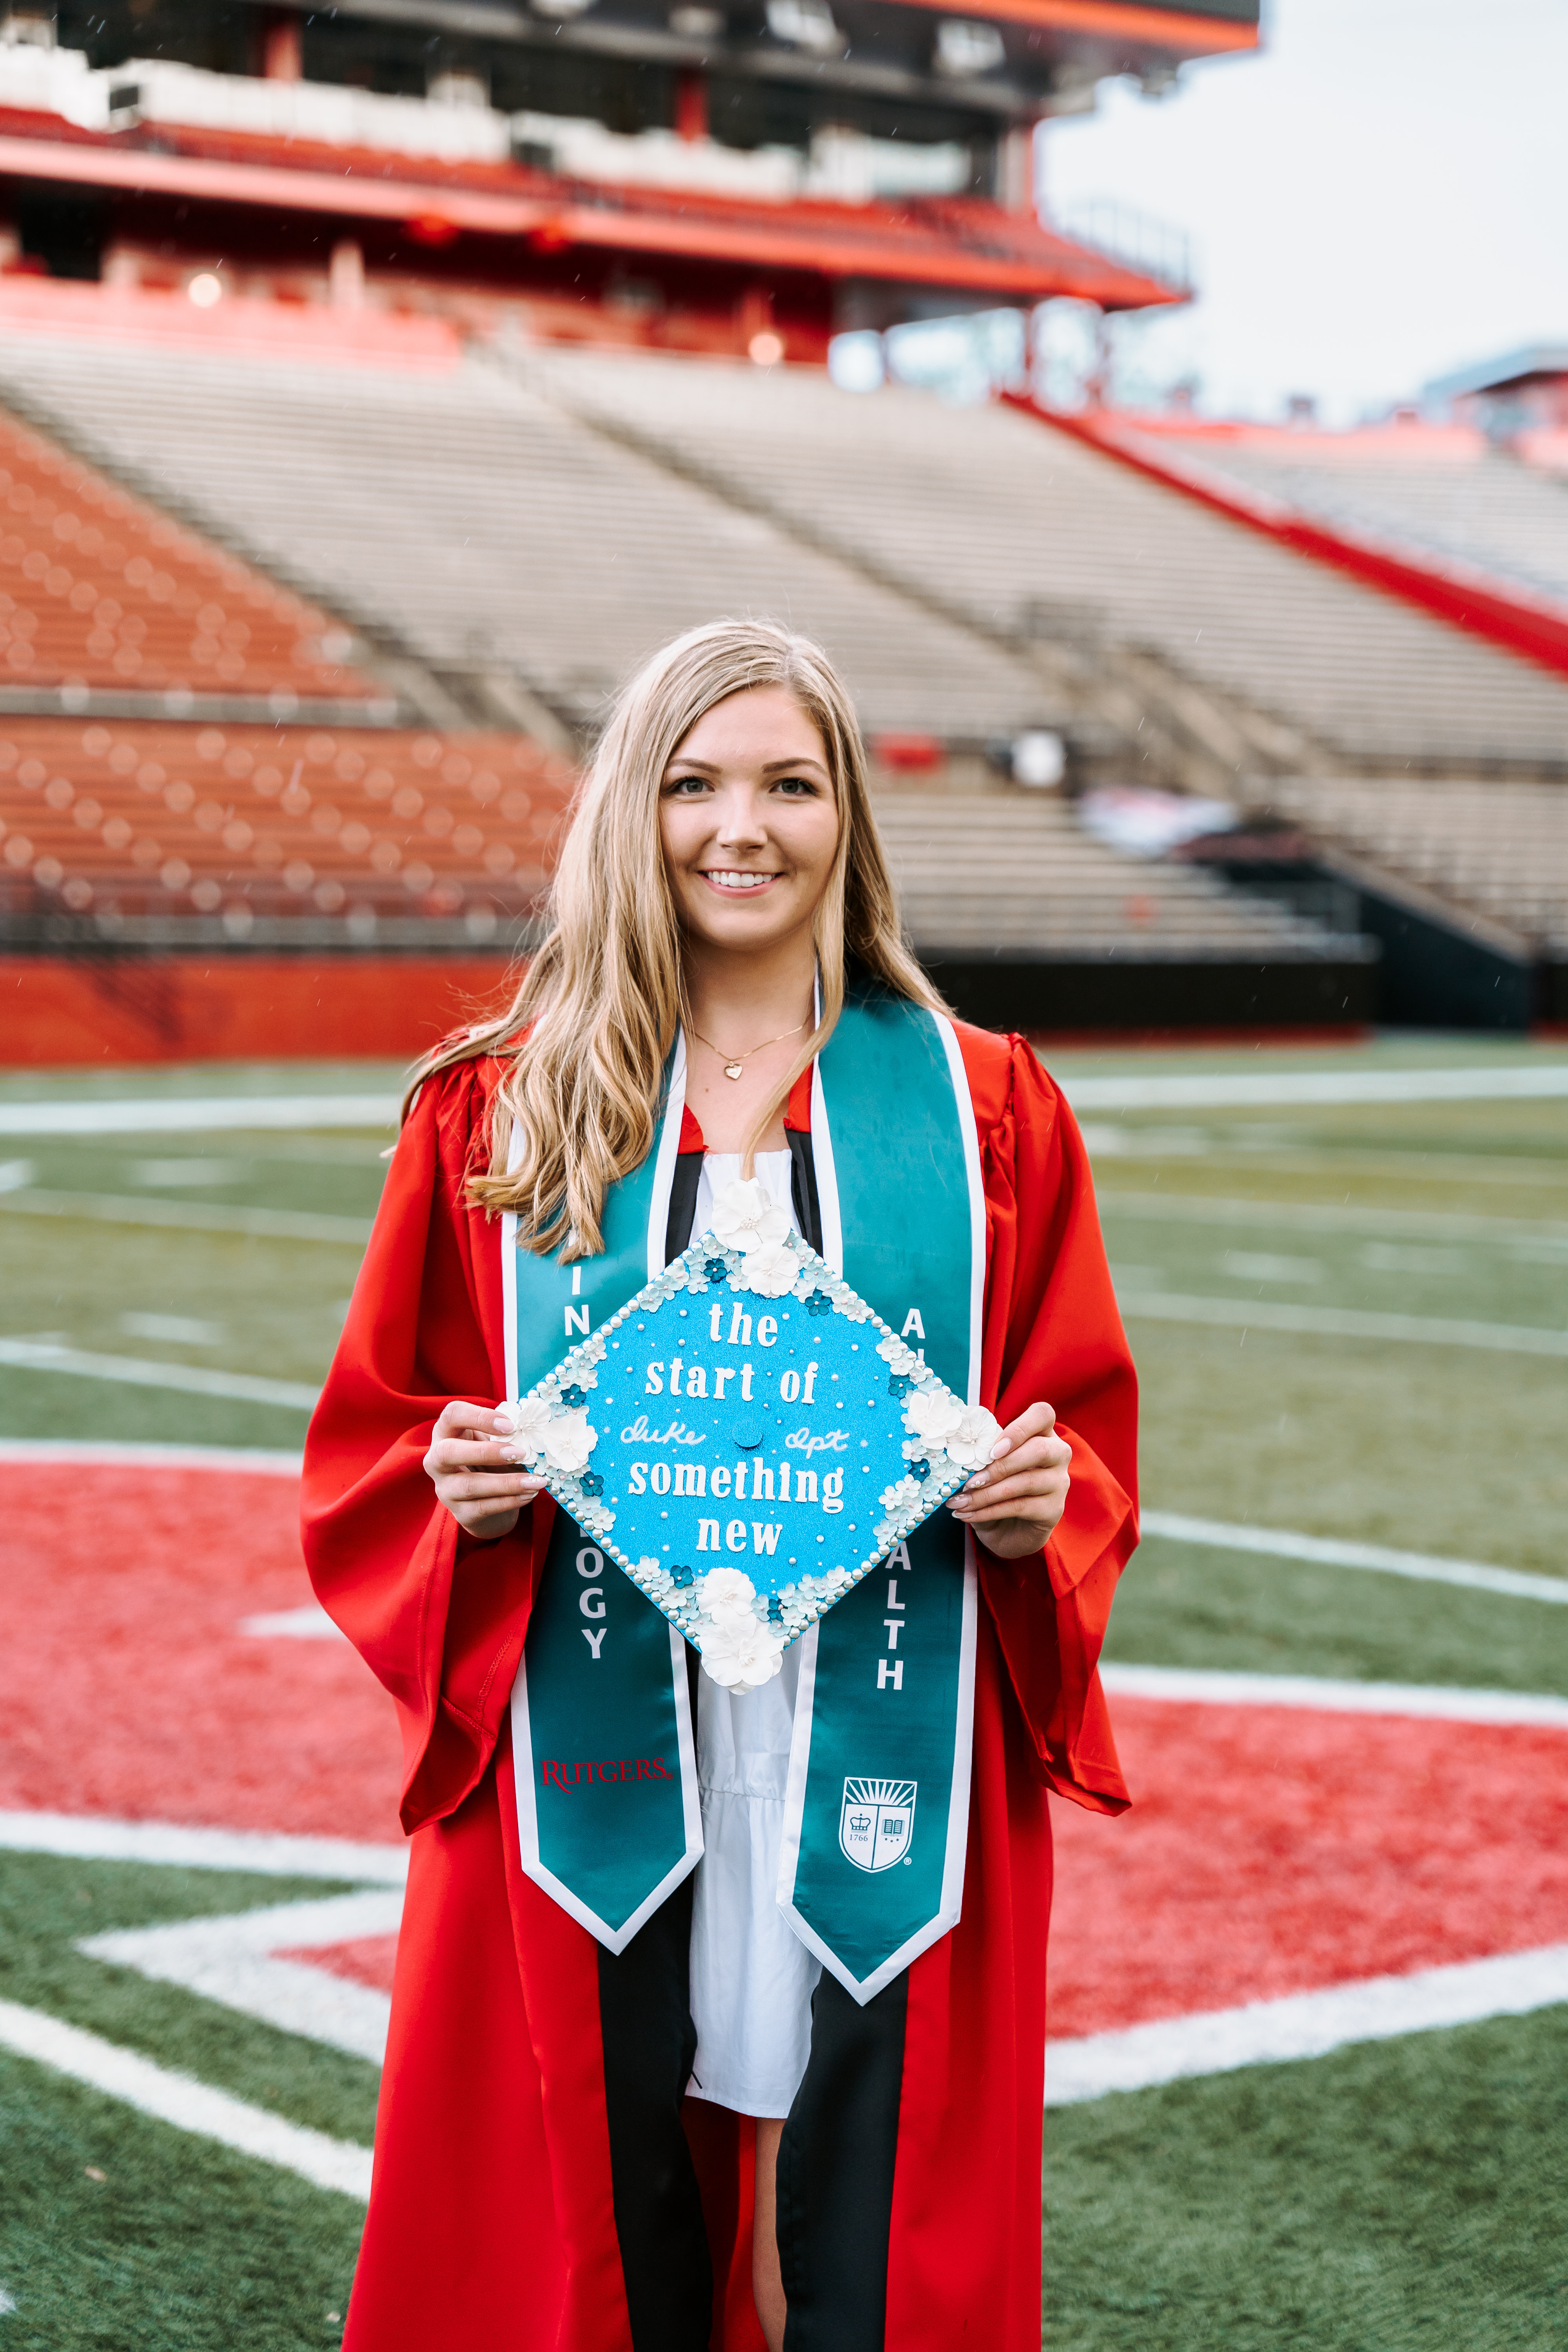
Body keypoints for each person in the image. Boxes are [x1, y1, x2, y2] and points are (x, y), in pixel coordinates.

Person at [302, 619, 1138, 2352]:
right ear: (633, 808)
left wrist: (1043, 1506)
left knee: (849, 2199)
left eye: (786, 782)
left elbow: (1081, 1429)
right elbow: (370, 1449)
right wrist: (446, 1487)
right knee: (611, 2189)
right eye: (691, 783)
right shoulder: (506, 1112)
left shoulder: (983, 1112)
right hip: (588, 1751)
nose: (736, 827)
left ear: (848, 817)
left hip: (886, 1734)